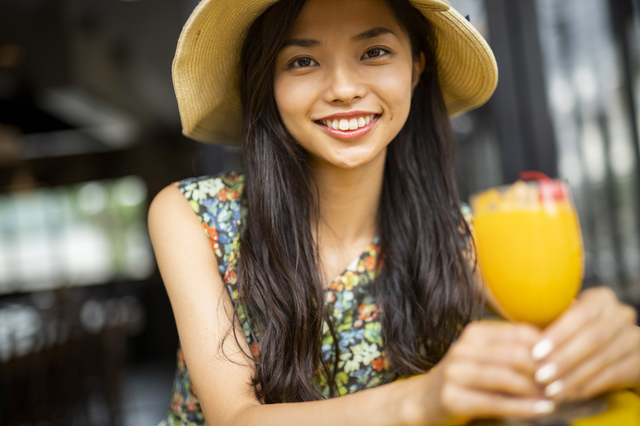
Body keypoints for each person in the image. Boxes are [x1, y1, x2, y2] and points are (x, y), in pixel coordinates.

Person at [148, 0, 640, 424]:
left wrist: (614, 349)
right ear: (268, 82)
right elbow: (235, 420)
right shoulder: (192, 215)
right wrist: (423, 399)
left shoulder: (455, 234)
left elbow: (561, 349)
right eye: (301, 61)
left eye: (375, 52)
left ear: (416, 67)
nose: (343, 87)